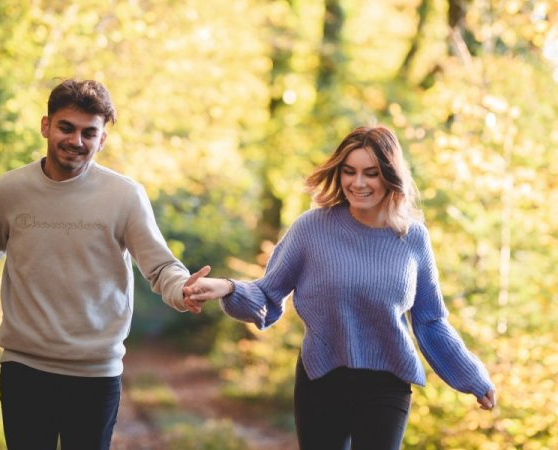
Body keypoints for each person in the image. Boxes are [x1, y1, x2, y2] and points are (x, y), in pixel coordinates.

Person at [184, 125, 496, 450]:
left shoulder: (413, 239)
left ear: (390, 176)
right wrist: (227, 288)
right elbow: (267, 294)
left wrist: (471, 375)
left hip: (387, 383)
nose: (357, 183)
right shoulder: (312, 229)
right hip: (321, 378)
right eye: (349, 172)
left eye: (370, 173)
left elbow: (431, 322)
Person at [0, 78, 209, 450]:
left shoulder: (124, 196)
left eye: (89, 133)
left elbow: (159, 267)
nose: (76, 141)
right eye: (66, 128)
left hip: (95, 374)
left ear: (102, 139)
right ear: (46, 126)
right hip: (25, 370)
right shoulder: (9, 191)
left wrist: (182, 290)